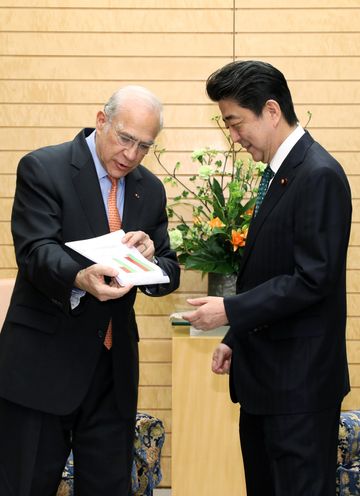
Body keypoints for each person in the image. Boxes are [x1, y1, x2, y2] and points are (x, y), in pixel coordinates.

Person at [0, 85, 180, 495]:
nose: (132, 155)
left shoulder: (148, 189)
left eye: (144, 146)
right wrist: (80, 278)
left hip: (111, 372)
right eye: (125, 138)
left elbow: (169, 268)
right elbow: (35, 251)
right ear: (102, 121)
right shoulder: (44, 168)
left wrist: (152, 259)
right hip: (42, 365)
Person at [183, 61, 352, 496]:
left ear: (271, 111)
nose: (234, 138)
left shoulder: (319, 175)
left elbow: (313, 279)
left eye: (236, 123)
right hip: (268, 383)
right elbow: (269, 273)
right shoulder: (280, 175)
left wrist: (230, 310)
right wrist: (235, 337)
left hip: (299, 390)